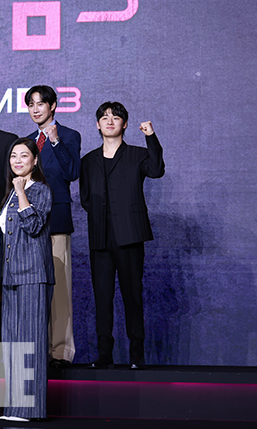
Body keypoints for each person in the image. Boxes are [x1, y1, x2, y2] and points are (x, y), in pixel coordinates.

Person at [80, 102, 164, 370]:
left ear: (124, 124)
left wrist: (151, 136)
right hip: (100, 236)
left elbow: (156, 170)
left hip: (130, 234)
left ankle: (136, 354)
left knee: (132, 295)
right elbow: (85, 198)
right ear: (97, 124)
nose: (110, 121)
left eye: (116, 117)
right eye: (104, 117)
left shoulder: (138, 154)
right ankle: (104, 354)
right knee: (102, 297)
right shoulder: (88, 160)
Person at [25, 85, 81, 368]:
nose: (36, 109)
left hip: (56, 220)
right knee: (33, 289)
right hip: (29, 222)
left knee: (59, 290)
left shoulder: (69, 135)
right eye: (31, 104)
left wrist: (56, 142)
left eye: (40, 104)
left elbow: (72, 172)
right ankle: (37, 349)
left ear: (53, 105)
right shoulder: (26, 142)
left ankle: (60, 351)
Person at [0, 138, 54, 422]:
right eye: (13, 156)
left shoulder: (40, 190)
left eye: (24, 156)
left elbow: (33, 225)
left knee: (30, 341)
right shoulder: (10, 192)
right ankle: (14, 407)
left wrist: (22, 192)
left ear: (34, 160)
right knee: (11, 343)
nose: (17, 161)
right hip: (9, 276)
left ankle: (30, 408)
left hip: (32, 274)